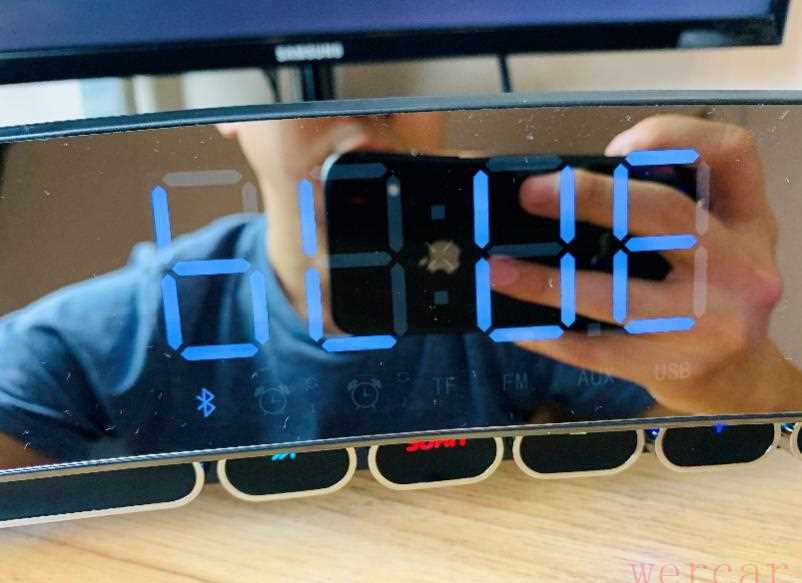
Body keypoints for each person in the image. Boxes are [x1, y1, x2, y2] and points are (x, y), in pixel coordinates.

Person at [0, 110, 798, 470]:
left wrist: (742, 382)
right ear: (226, 107)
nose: (364, 94)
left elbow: (748, 461)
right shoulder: (124, 322)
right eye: (301, 41)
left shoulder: (530, 280)